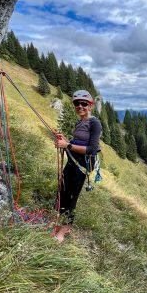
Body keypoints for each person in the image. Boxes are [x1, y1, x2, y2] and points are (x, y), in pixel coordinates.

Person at [52, 89, 102, 241]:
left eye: (84, 103)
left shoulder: (95, 123)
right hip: (73, 162)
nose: (80, 106)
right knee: (63, 191)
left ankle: (64, 230)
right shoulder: (80, 122)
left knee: (72, 196)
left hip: (81, 165)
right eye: (76, 103)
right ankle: (59, 223)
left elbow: (92, 149)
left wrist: (67, 145)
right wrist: (64, 140)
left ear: (91, 106)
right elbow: (74, 143)